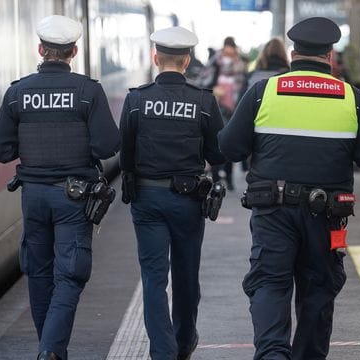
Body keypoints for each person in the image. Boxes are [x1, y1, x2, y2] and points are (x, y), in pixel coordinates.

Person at [219, 17, 360, 359]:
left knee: (269, 284)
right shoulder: (350, 97)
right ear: (330, 56)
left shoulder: (263, 92)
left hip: (273, 211)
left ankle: (272, 355)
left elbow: (230, 148)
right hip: (326, 216)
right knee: (318, 291)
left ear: (294, 54)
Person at [0, 15, 120, 360]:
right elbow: (108, 146)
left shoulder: (18, 92)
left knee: (38, 272)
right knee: (71, 274)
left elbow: (0, 150)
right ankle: (50, 349)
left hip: (33, 197)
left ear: (40, 50)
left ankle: (49, 348)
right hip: (73, 197)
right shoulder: (88, 91)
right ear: (74, 51)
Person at [118, 26, 225, 360]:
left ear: (155, 57)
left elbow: (125, 153)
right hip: (188, 201)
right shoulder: (204, 102)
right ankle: (183, 340)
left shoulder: (136, 100)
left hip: (147, 200)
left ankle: (162, 352)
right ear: (187, 60)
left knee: (153, 278)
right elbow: (218, 152)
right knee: (185, 275)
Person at [203, 36, 247, 190]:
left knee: (228, 142)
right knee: (215, 141)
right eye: (226, 50)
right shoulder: (215, 62)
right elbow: (204, 81)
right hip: (215, 106)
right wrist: (213, 90)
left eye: (231, 50)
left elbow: (243, 86)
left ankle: (228, 177)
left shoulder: (241, 64)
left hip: (234, 109)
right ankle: (215, 177)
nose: (228, 53)